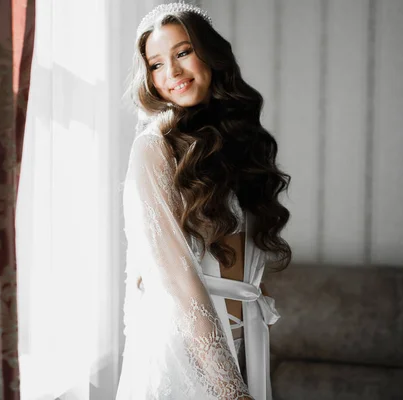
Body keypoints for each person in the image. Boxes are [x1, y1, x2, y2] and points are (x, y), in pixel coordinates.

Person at [116, 3, 292, 400]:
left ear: (211, 54)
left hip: (245, 337)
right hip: (187, 351)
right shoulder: (154, 149)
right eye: (156, 64)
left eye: (182, 53)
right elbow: (177, 282)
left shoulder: (237, 140)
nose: (172, 73)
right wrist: (231, 390)